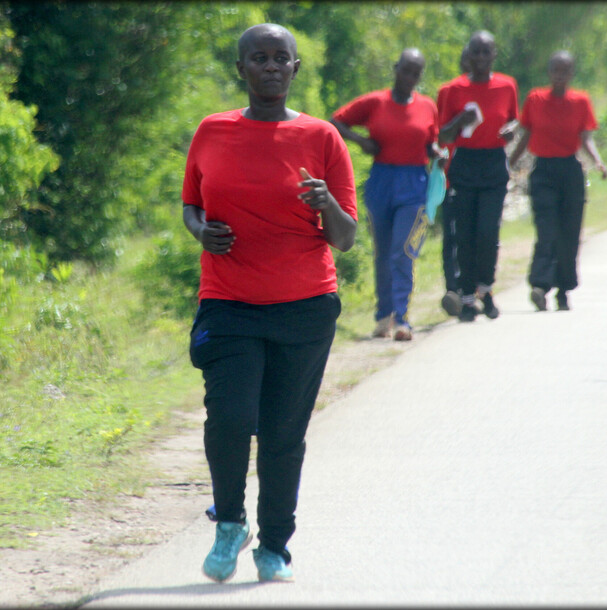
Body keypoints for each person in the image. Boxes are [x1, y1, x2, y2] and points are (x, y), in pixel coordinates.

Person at [181, 23, 357, 583]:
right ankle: (230, 522)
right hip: (229, 301)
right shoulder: (212, 131)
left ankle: (275, 545)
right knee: (229, 420)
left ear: (296, 68)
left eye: (282, 58)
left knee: (283, 433)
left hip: (304, 307)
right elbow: (190, 204)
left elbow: (347, 236)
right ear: (242, 69)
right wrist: (200, 230)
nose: (272, 66)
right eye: (259, 58)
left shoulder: (323, 137)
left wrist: (325, 200)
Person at [331, 48, 439, 341]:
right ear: (396, 68)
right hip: (381, 180)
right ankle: (384, 317)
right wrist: (361, 142)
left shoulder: (427, 106)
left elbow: (431, 143)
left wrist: (437, 152)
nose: (410, 77)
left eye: (416, 72)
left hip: (414, 182)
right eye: (406, 70)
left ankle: (403, 319)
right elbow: (336, 121)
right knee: (383, 251)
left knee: (403, 250)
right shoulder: (375, 102)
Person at [507, 50, 607, 312]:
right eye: (555, 70)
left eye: (565, 71)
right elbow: (525, 134)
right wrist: (508, 165)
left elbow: (586, 137)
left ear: (571, 73)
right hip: (543, 172)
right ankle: (540, 285)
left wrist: (598, 160)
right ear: (549, 72)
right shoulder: (536, 99)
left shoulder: (580, 101)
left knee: (570, 233)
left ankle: (564, 290)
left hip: (571, 172)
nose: (560, 76)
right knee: (547, 230)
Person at [437, 30, 519, 322]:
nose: (481, 58)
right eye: (476, 52)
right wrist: (460, 120)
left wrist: (512, 129)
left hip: (494, 163)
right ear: (468, 55)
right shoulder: (452, 90)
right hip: (465, 163)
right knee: (465, 234)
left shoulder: (507, 85)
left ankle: (486, 288)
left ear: (494, 55)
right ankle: (468, 298)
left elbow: (512, 118)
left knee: (488, 232)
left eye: (487, 52)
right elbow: (443, 133)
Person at [439, 45, 471, 317]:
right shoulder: (449, 93)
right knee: (451, 236)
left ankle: (475, 289)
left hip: (480, 177)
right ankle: (453, 291)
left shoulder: (495, 90)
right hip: (450, 176)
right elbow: (439, 133)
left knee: (478, 234)